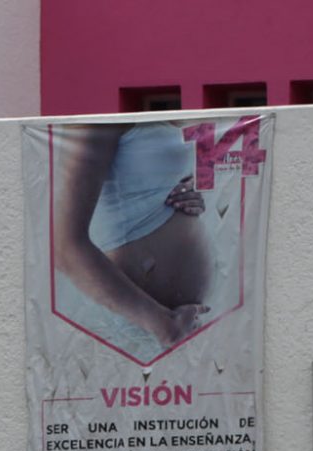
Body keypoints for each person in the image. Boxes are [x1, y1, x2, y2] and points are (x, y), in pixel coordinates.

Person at [50, 121, 216, 362]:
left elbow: (144, 184)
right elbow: (64, 247)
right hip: (135, 329)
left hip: (177, 328)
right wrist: (165, 326)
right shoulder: (93, 118)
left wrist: (188, 196)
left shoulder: (166, 108)